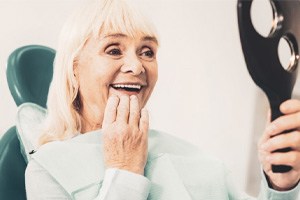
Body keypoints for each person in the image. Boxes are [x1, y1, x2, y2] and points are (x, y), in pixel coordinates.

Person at [25, 0, 300, 199]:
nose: (136, 66)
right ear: (74, 67)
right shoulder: (48, 169)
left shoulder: (195, 158)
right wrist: (124, 171)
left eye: (147, 51)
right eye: (113, 50)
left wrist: (282, 186)